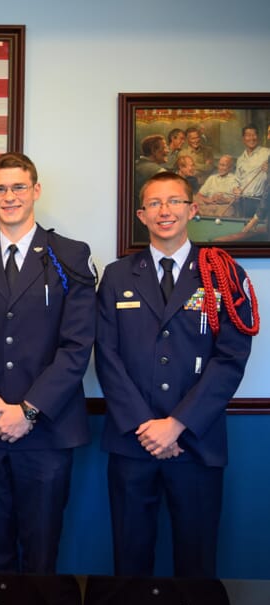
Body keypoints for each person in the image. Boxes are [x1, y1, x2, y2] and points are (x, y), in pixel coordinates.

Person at [95, 171, 256, 578]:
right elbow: (107, 357)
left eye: (174, 201)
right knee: (129, 563)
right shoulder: (116, 277)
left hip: (196, 443)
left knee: (197, 563)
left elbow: (231, 357)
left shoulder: (221, 273)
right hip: (133, 443)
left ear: (192, 209)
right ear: (141, 215)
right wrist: (146, 426)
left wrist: (178, 425)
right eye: (154, 203)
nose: (164, 210)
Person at [0, 153, 97, 574]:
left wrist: (29, 410)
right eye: (0, 189)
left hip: (48, 429)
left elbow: (77, 346)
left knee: (41, 552)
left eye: (18, 187)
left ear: (35, 191)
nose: (9, 196)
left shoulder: (69, 254)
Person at [233, 124, 270, 220]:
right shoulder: (240, 159)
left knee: (262, 232)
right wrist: (236, 189)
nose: (251, 138)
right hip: (244, 202)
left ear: (258, 137)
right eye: (248, 135)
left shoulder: (267, 153)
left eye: (254, 135)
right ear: (243, 138)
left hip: (262, 201)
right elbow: (237, 180)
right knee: (245, 232)